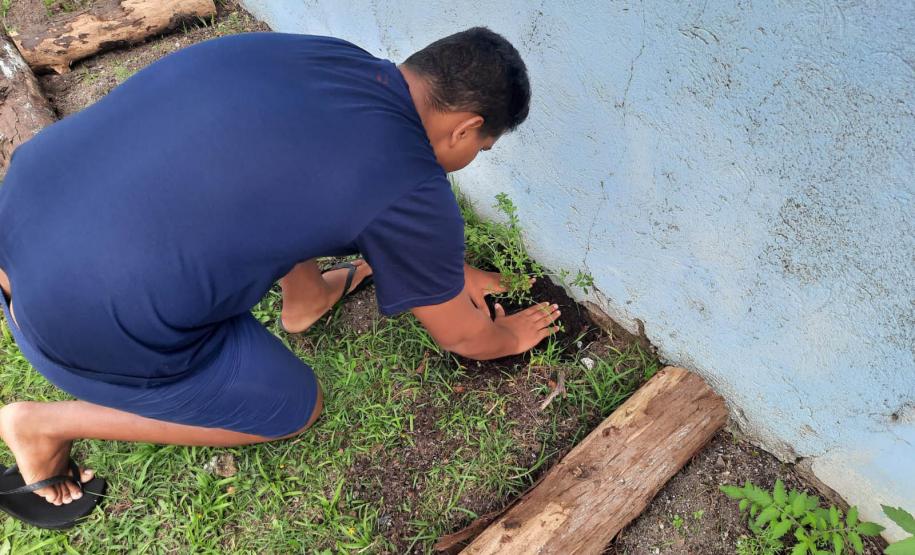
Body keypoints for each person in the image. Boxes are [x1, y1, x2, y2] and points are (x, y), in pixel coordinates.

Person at [0, 27, 559, 527]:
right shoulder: (411, 181)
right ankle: (43, 425)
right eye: (482, 149)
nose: (474, 156)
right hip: (76, 328)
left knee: (266, 178)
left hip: (21, 222)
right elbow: (463, 336)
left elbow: (305, 176)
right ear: (466, 128)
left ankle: (307, 298)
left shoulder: (323, 55)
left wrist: (443, 268)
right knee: (291, 407)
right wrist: (508, 336)